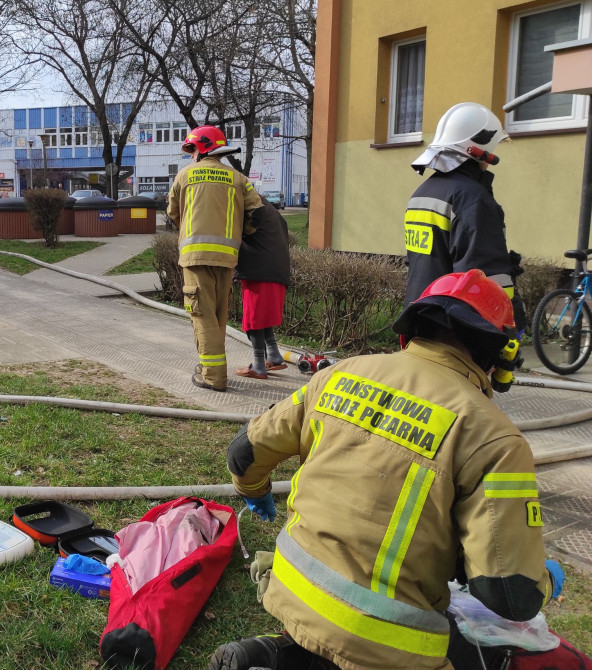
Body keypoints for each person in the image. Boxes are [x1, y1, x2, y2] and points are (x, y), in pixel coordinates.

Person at [212, 270, 564, 670]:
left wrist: (255, 490)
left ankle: (281, 656)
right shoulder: (496, 439)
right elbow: (509, 593)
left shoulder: (340, 374)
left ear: (412, 328)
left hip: (290, 585)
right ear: (496, 359)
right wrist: (545, 579)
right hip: (385, 635)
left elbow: (244, 452)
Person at [404, 102, 526, 333]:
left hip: (418, 317)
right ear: (480, 151)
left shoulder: (421, 193)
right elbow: (483, 277)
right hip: (455, 329)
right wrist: (509, 324)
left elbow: (417, 263)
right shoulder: (472, 199)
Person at [167, 125, 263, 392]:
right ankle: (211, 367)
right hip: (227, 257)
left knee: (202, 315)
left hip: (195, 257)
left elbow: (173, 212)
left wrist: (190, 228)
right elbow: (256, 214)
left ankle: (213, 376)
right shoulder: (238, 178)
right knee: (218, 315)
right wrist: (239, 233)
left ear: (201, 148)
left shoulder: (185, 175)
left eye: (192, 150)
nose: (191, 155)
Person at [234, 197, 291, 379]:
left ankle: (259, 366)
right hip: (276, 266)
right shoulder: (264, 204)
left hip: (259, 268)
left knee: (254, 319)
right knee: (263, 315)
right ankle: (274, 355)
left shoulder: (246, 203)